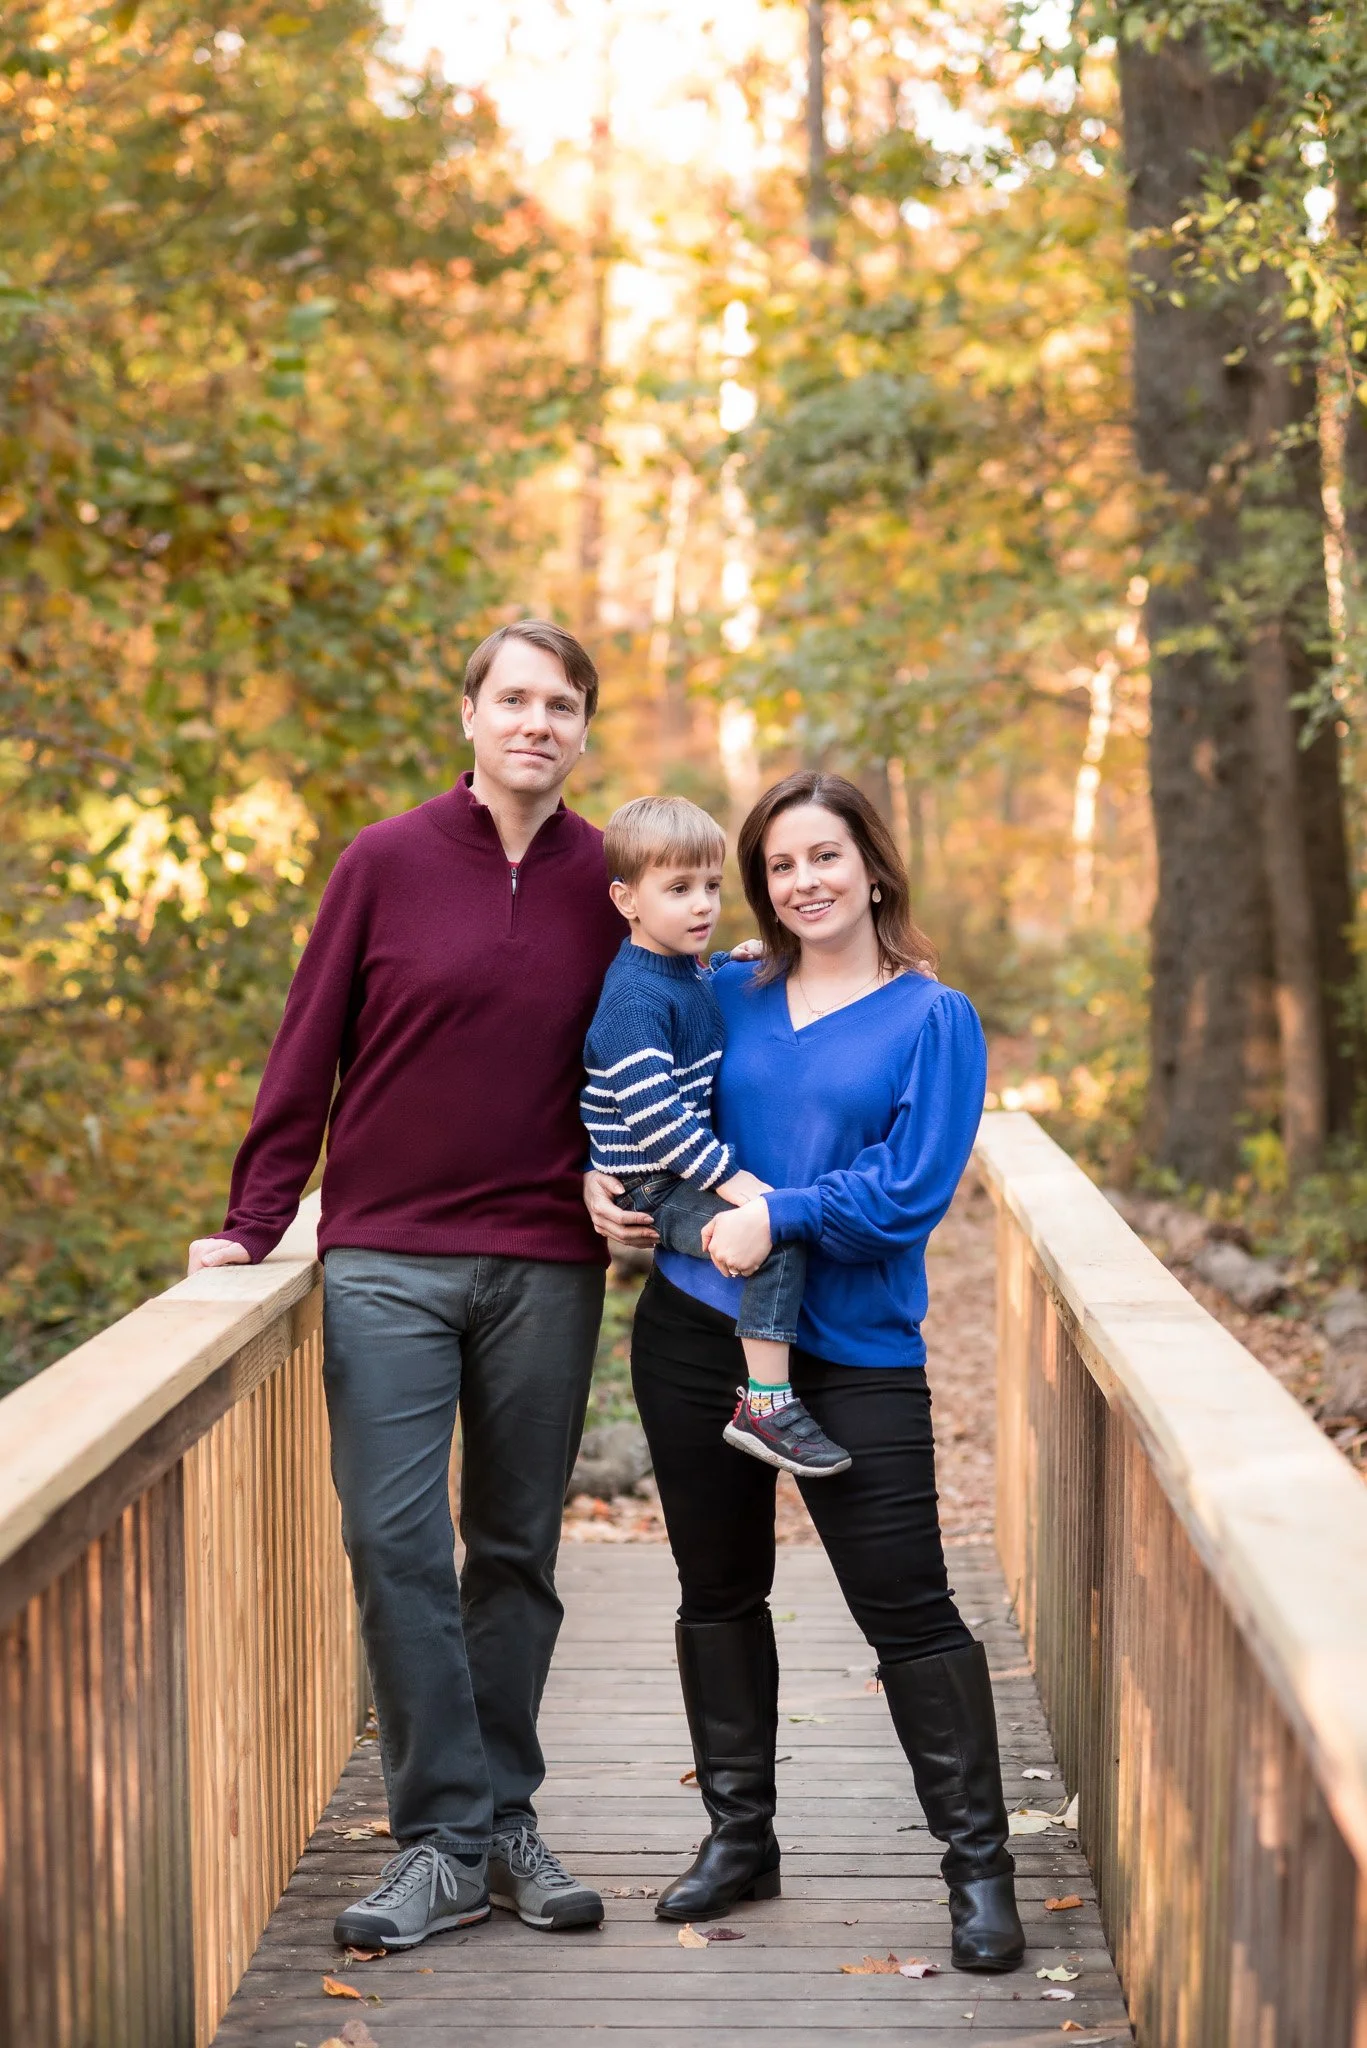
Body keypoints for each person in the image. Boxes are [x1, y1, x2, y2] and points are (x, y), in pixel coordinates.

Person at [188, 619, 626, 1951]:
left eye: (560, 704)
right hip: (383, 1257)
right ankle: (444, 1835)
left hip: (547, 1261)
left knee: (514, 1551)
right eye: (512, 699)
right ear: (468, 718)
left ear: (582, 733)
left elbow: (665, 1044)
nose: (535, 722)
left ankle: (500, 1828)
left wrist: (644, 1186)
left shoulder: (607, 879)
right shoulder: (382, 863)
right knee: (393, 1543)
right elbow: (307, 1042)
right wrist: (256, 1218)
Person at [585, 770, 1026, 1974]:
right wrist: (596, 1177)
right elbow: (629, 1085)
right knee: (713, 1587)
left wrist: (774, 1212)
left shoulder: (933, 1018)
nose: (802, 881)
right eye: (779, 864)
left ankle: (976, 1868)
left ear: (871, 864)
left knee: (909, 1606)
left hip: (855, 1352)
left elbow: (906, 1194)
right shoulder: (721, 985)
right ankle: (740, 1837)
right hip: (690, 1330)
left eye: (822, 856)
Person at [582, 794, 851, 1477]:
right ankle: (765, 1403)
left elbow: (701, 983)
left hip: (675, 1171)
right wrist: (732, 1181)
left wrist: (741, 955)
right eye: (677, 890)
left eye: (710, 886)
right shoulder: (632, 1001)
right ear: (626, 899)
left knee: (771, 1223)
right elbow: (659, 1123)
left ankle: (767, 1394)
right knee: (772, 1235)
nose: (701, 905)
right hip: (652, 1180)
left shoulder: (685, 969)